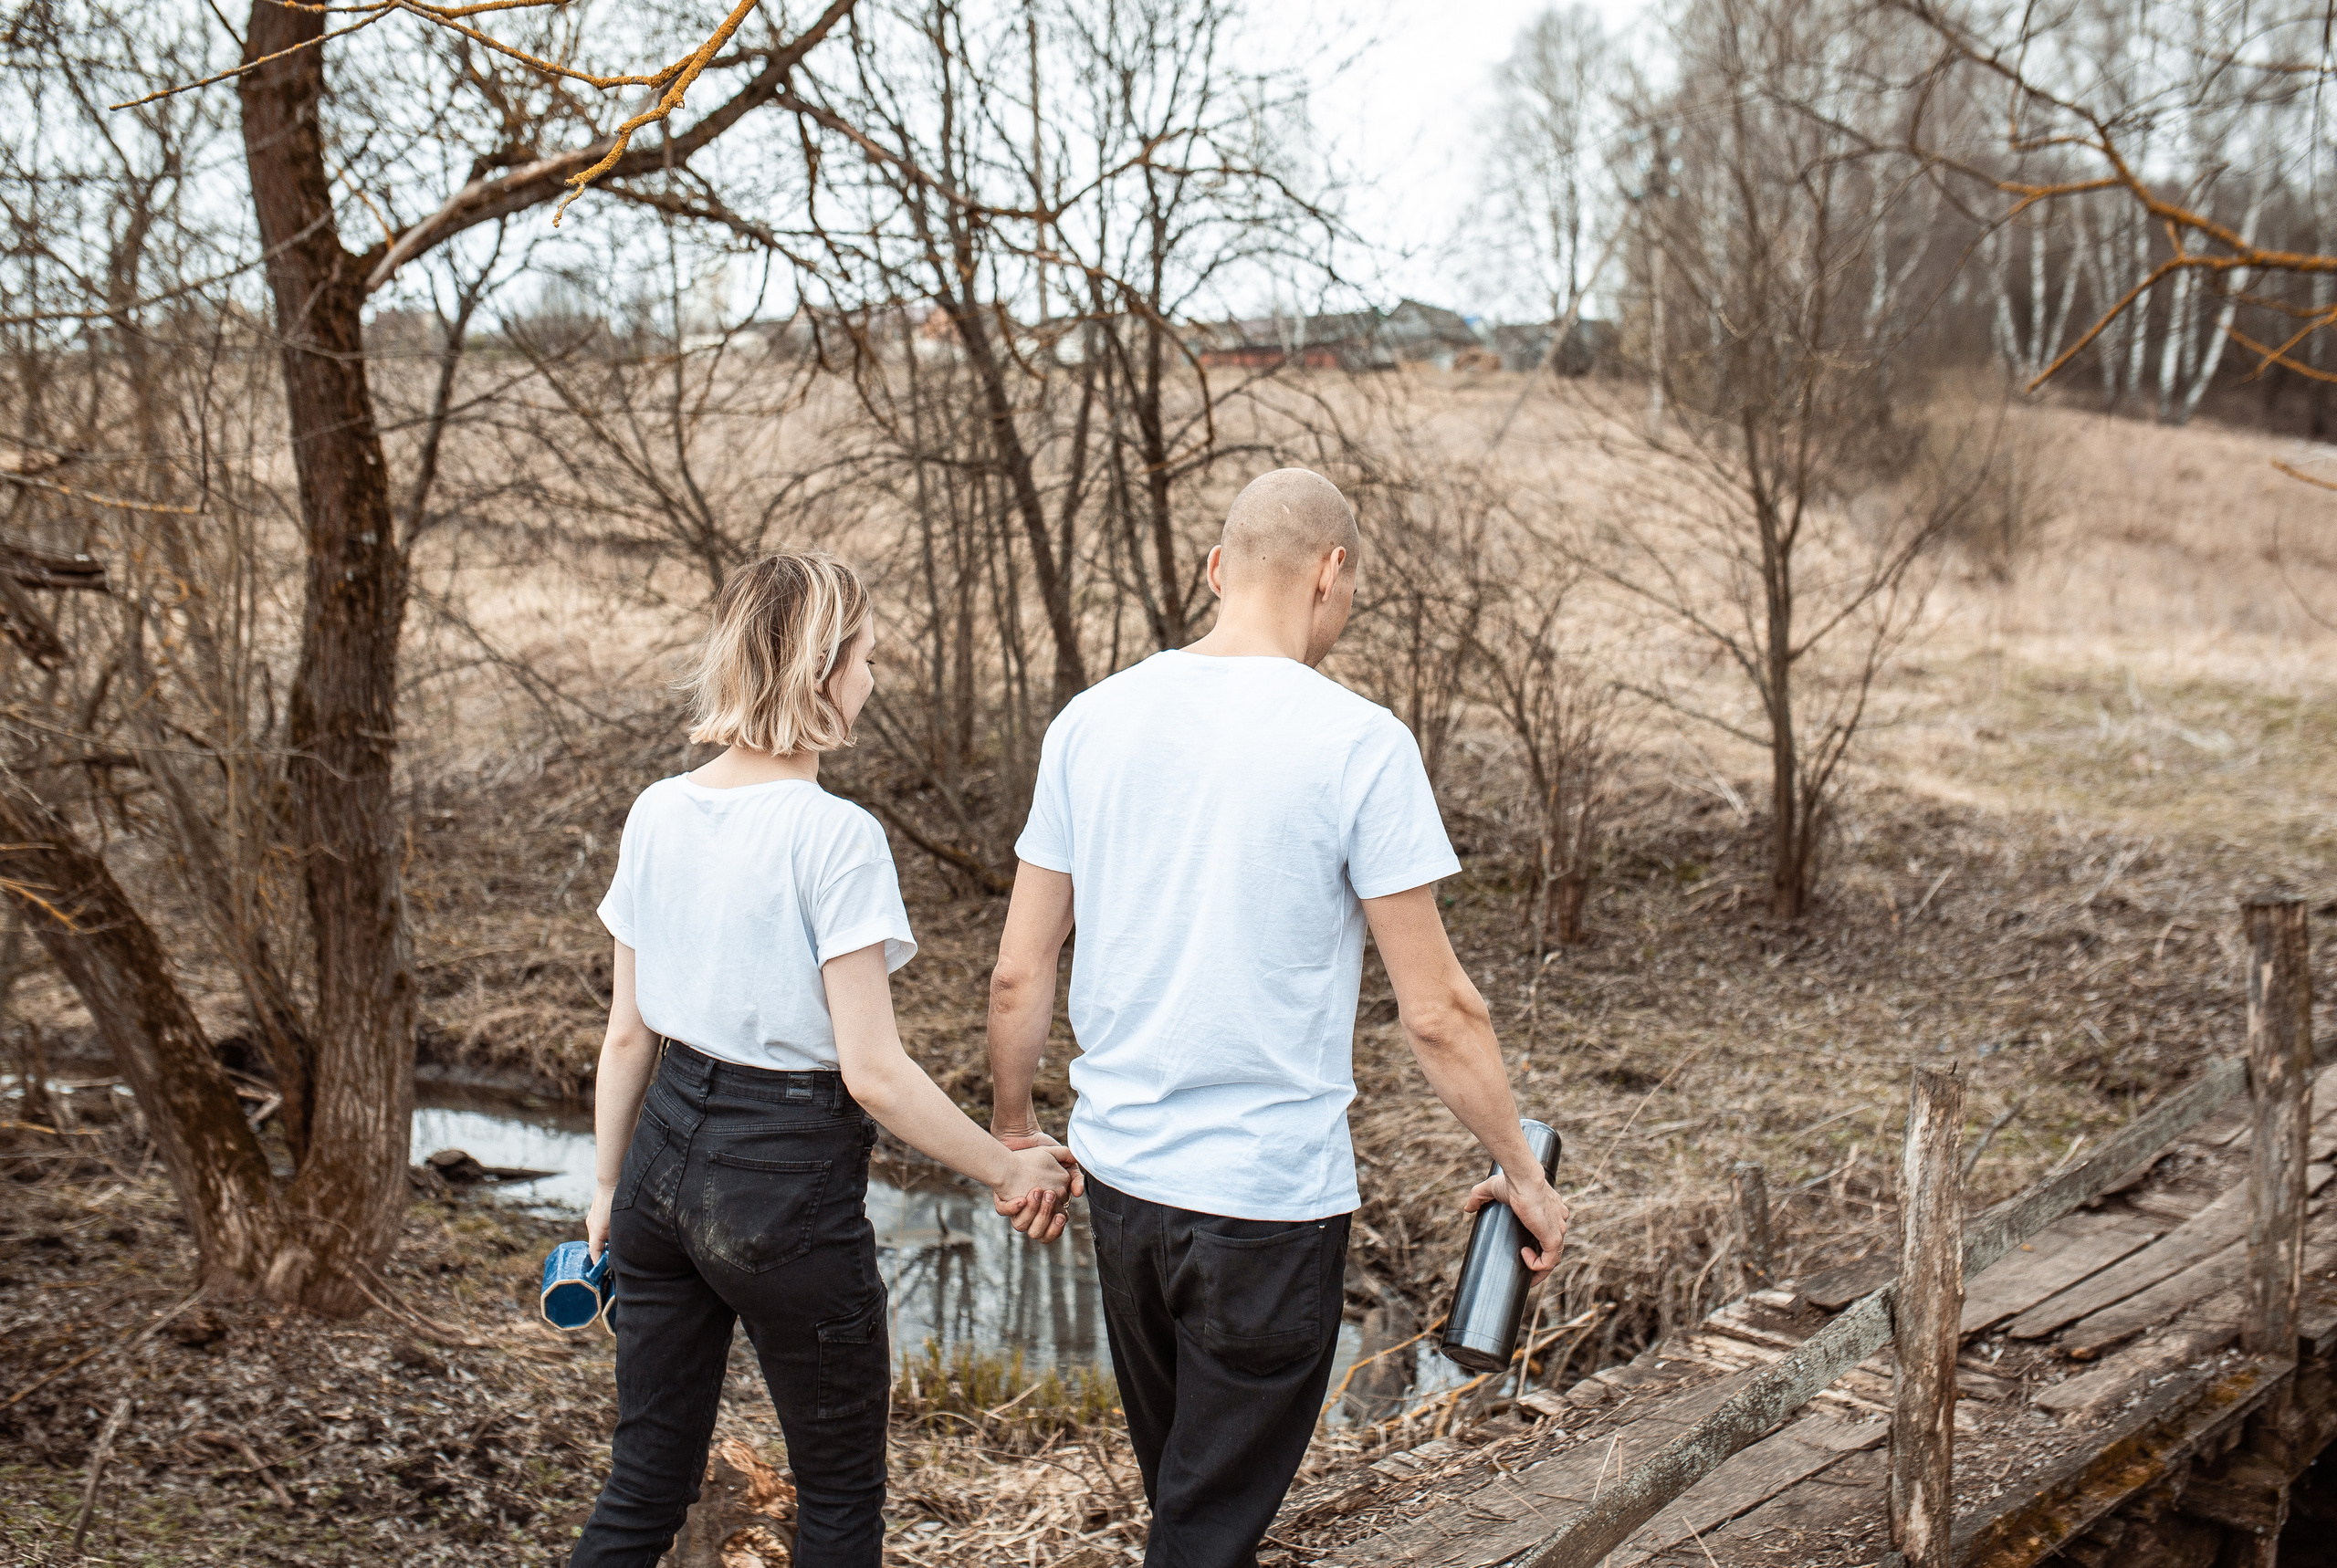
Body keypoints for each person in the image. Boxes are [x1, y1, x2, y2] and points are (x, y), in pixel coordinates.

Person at [985, 468, 1571, 1568]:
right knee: (1204, 1531)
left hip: (1123, 1188)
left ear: (1217, 569)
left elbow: (1019, 972)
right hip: (1265, 1203)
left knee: (1190, 1505)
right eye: (1349, 587)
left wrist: (1017, 1130)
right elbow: (1439, 1011)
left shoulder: (1089, 721)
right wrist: (1520, 1173)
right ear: (1331, 571)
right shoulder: (1358, 742)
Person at [572, 552, 1080, 1568]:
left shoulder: (657, 809)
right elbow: (873, 1071)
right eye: (865, 657)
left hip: (662, 1167)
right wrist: (1006, 1164)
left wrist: (605, 1186)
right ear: (816, 672)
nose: (873, 679)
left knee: (643, 1485)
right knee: (842, 1498)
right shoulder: (836, 837)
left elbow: (627, 1030)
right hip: (783, 1183)